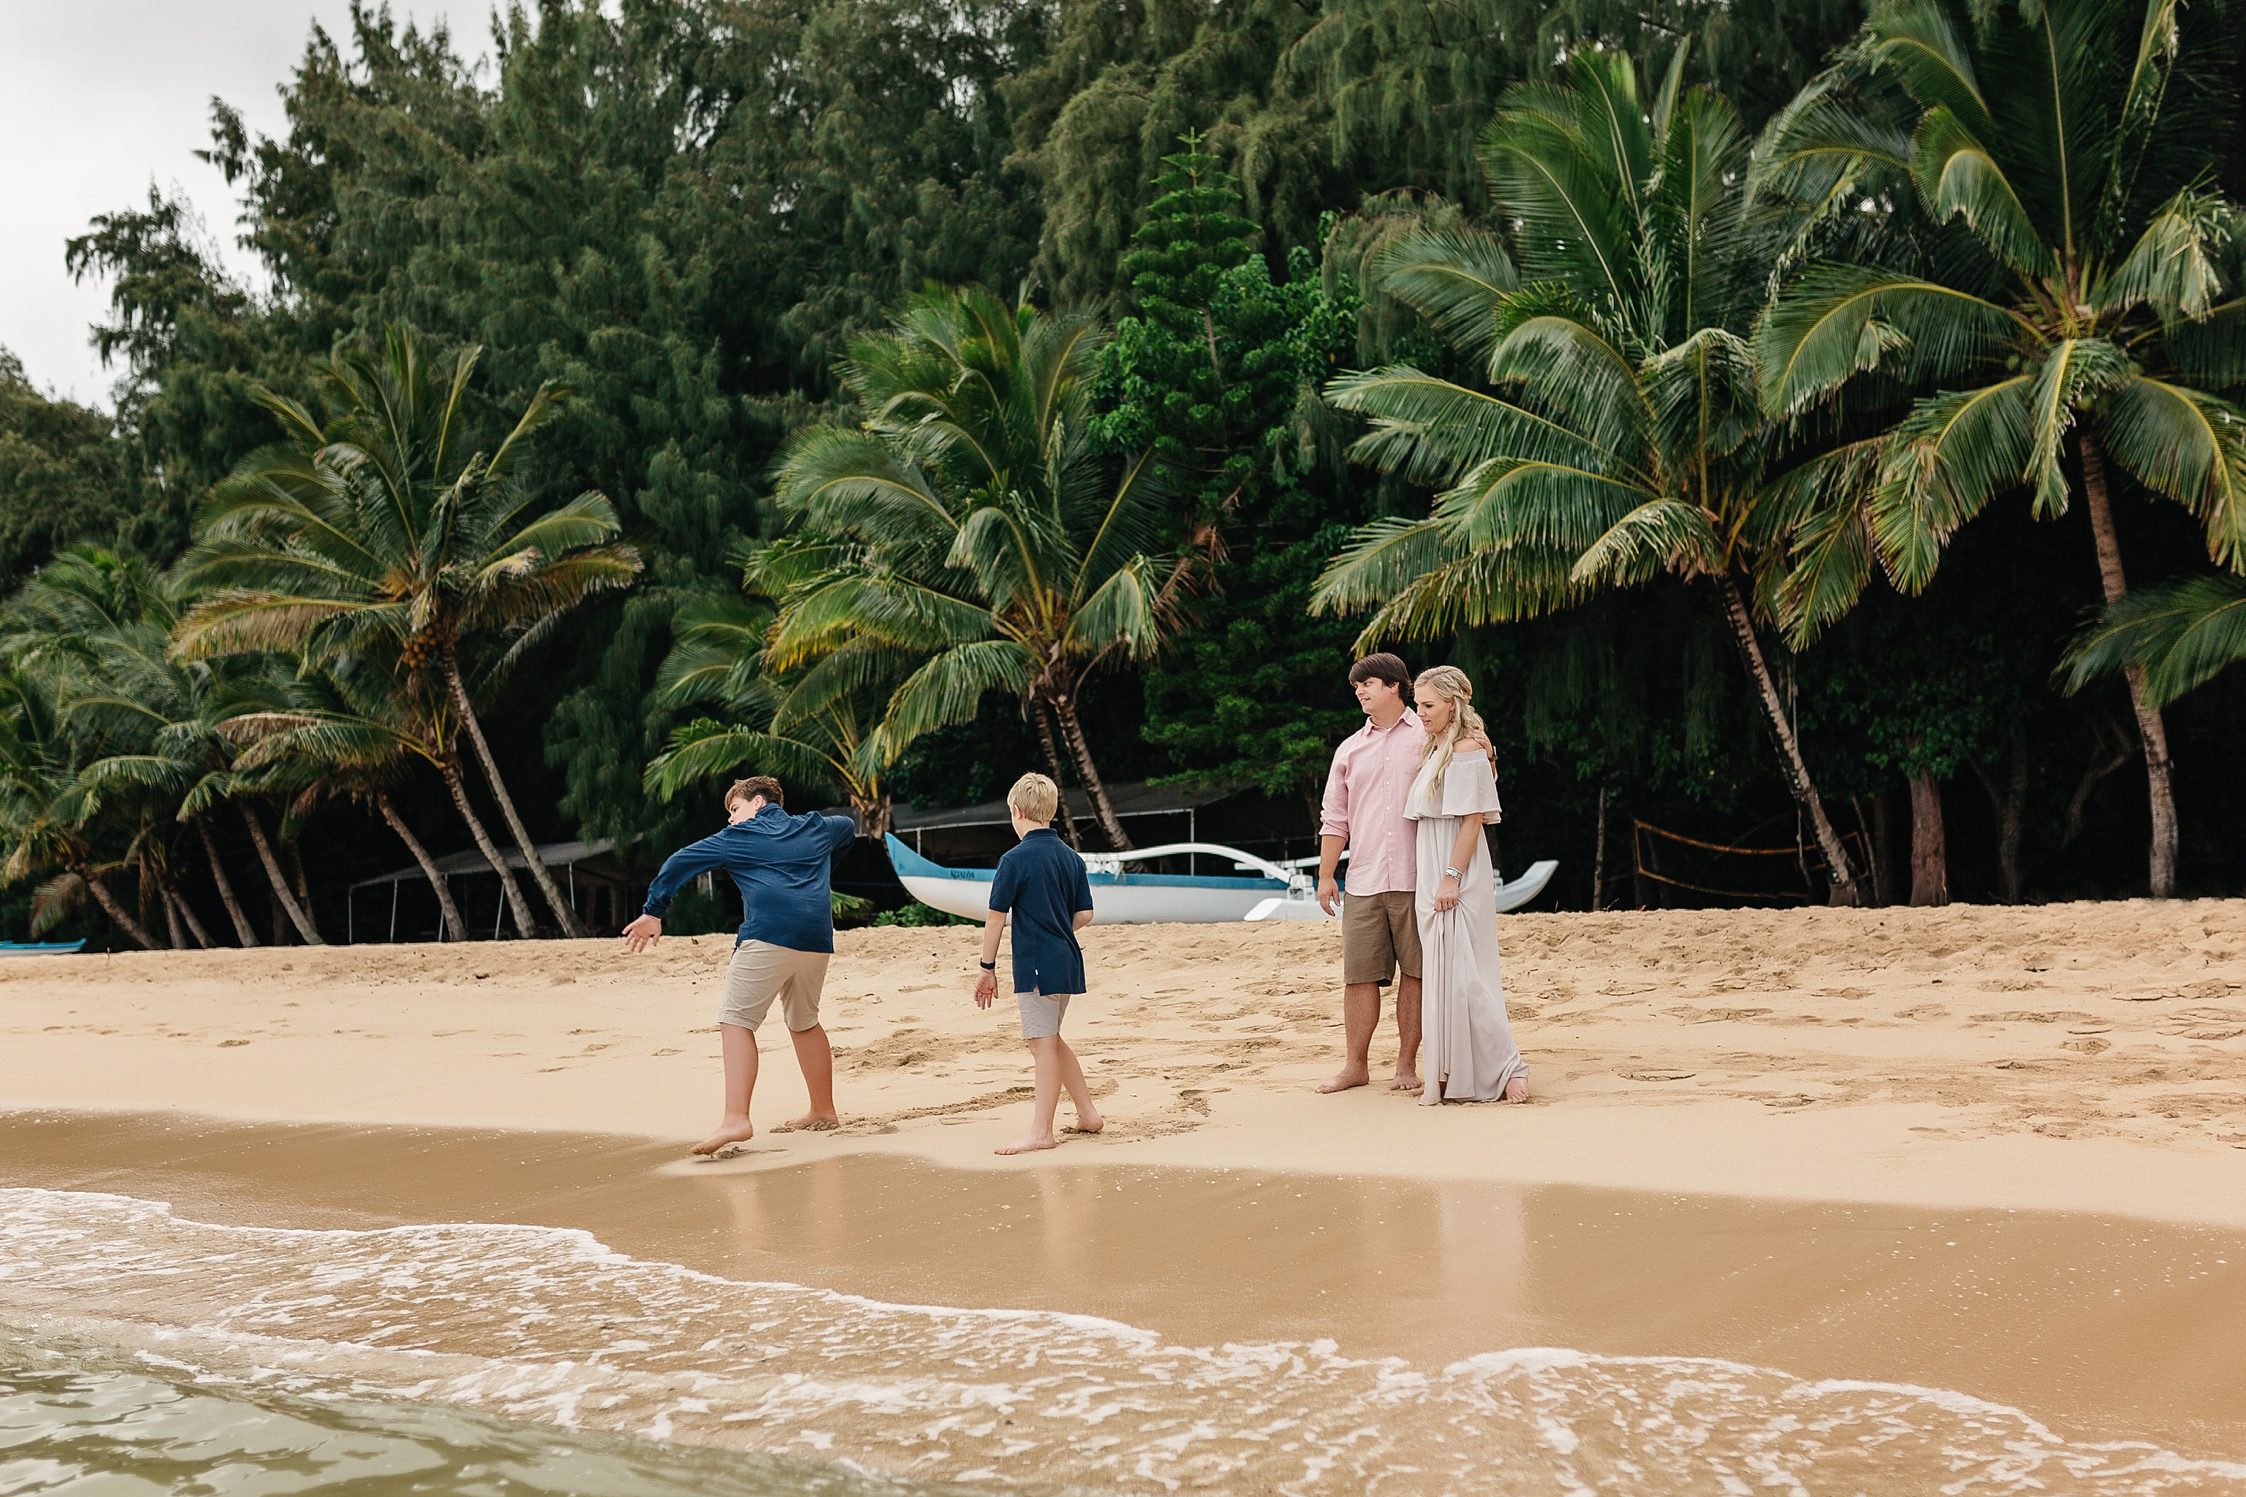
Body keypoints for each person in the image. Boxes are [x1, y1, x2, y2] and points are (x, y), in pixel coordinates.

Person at [621, 775, 858, 1156]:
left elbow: (681, 860)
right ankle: (823, 1110)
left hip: (768, 936)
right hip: (816, 939)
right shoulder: (815, 827)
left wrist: (653, 911)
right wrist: (819, 869)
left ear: (758, 803)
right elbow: (847, 826)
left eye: (735, 809)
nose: (731, 819)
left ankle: (736, 1118)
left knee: (735, 1021)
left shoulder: (739, 837)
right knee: (804, 1022)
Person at [1405, 666, 1529, 1104]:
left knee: (1466, 974)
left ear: (1452, 704)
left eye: (1428, 705)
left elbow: (1473, 820)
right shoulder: (1436, 747)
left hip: (1454, 869)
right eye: (1418, 704)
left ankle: (1507, 1066)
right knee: (1445, 973)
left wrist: (1451, 878)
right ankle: (1451, 1071)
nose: (1420, 713)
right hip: (1432, 865)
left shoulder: (1465, 750)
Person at [973, 772, 1104, 1155]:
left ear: (1017, 811)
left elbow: (995, 917)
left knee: (1041, 1044)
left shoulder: (1014, 859)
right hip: (1067, 959)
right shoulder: (1070, 857)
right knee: (1052, 1039)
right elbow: (1085, 914)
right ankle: (1087, 1113)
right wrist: (1058, 926)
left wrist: (986, 967)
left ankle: (1041, 1132)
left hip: (1036, 964)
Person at [1314, 653, 1429, 1093]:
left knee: (1417, 974)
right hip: (1363, 880)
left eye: (1368, 683)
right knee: (1358, 977)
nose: (1360, 691)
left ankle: (1406, 1065)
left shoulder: (1429, 736)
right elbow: (1334, 818)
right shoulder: (1349, 749)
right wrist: (1326, 876)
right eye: (1356, 686)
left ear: (1394, 686)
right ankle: (1355, 1066)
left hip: (1418, 878)